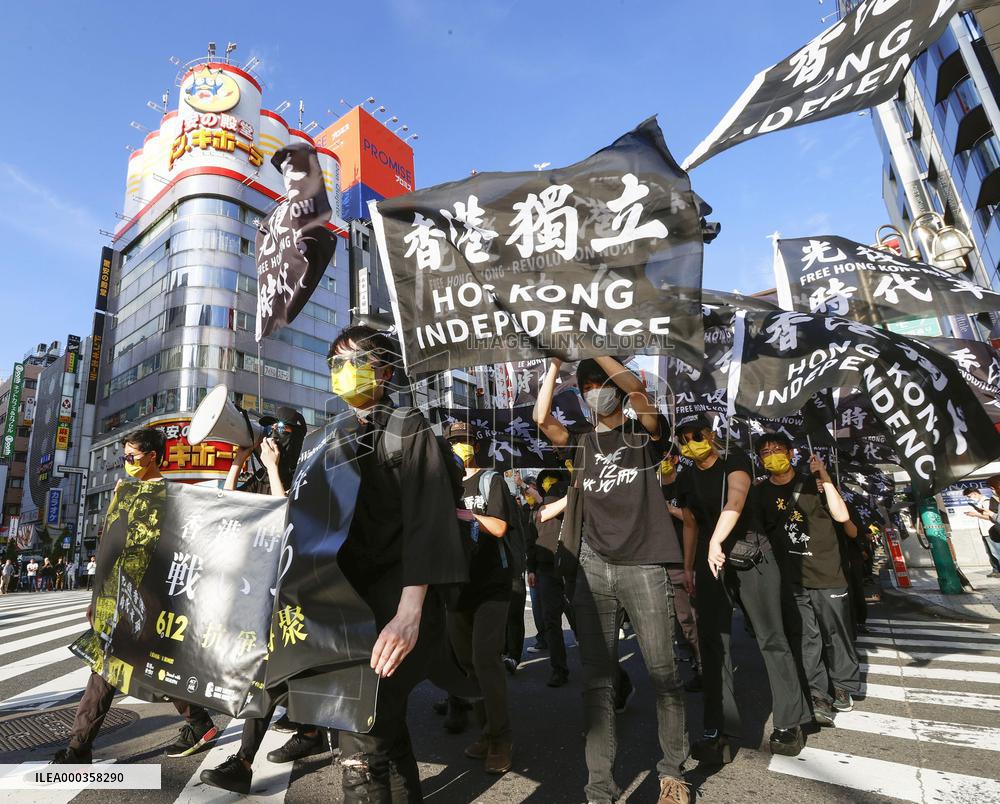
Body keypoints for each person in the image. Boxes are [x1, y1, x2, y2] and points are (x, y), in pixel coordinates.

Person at [208, 325, 467, 802]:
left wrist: (410, 615)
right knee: (380, 731)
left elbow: (428, 523)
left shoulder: (406, 427)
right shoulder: (325, 438)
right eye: (336, 363)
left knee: (360, 747)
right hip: (340, 616)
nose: (345, 372)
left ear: (385, 370)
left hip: (391, 611)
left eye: (357, 360)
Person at [534, 356, 689, 804]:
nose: (594, 390)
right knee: (597, 681)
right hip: (592, 565)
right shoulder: (580, 442)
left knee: (663, 672)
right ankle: (599, 788)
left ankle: (672, 772)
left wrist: (598, 348)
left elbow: (640, 397)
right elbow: (542, 419)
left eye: (601, 383)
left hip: (644, 562)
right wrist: (555, 365)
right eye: (586, 386)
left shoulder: (644, 435)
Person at [54, 428, 219, 764]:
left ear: (152, 457)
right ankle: (80, 746)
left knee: (135, 664)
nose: (126, 462)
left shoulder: (173, 495)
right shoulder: (125, 490)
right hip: (117, 596)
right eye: (123, 457)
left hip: (148, 597)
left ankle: (79, 748)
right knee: (117, 666)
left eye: (132, 457)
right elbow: (112, 546)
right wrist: (97, 598)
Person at [201, 408, 327, 792]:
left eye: (281, 431)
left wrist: (273, 469)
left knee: (269, 671)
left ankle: (243, 761)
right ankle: (309, 729)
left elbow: (286, 516)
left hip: (300, 588)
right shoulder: (261, 469)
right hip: (261, 589)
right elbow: (228, 507)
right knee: (279, 670)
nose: (273, 437)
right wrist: (239, 462)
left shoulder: (312, 468)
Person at [678, 419, 809, 763]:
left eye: (694, 437)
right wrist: (689, 567)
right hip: (711, 561)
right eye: (681, 441)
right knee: (712, 643)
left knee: (771, 638)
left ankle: (789, 722)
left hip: (753, 556)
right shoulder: (687, 475)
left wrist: (717, 540)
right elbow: (691, 522)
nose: (688, 444)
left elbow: (735, 501)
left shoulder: (736, 460)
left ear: (710, 435)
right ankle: (716, 729)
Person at [749, 434, 860, 721]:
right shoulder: (760, 493)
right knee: (806, 638)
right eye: (765, 452)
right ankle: (818, 695)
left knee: (836, 633)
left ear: (792, 452)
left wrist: (823, 475)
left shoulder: (815, 484)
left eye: (777, 450)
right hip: (791, 579)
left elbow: (840, 515)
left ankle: (843, 685)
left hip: (828, 574)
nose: (772, 455)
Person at [443, 420, 514, 774]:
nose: (461, 446)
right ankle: (486, 732)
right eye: (455, 441)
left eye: (466, 440)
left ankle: (501, 739)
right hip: (456, 587)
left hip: (492, 585)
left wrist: (462, 513)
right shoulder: (442, 483)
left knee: (486, 659)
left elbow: (500, 527)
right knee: (468, 664)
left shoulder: (490, 480)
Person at [527, 469, 574, 687]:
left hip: (571, 566)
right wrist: (531, 568)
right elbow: (531, 540)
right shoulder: (536, 508)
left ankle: (606, 672)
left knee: (583, 618)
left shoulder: (568, 498)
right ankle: (559, 669)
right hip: (546, 569)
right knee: (551, 620)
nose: (549, 488)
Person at [659, 455, 701, 691]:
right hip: (662, 562)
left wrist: (669, 509)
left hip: (686, 561)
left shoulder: (686, 482)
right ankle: (693, 661)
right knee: (680, 621)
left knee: (693, 618)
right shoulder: (652, 486)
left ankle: (706, 667)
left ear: (675, 459)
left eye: (666, 457)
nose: (662, 462)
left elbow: (693, 519)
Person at [963, 488, 1000, 578]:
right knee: (991, 552)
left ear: (975, 493)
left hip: (991, 531)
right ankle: (996, 570)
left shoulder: (986, 501)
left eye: (969, 496)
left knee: (997, 552)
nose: (969, 498)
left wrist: (975, 514)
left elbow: (991, 517)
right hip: (984, 531)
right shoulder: (979, 503)